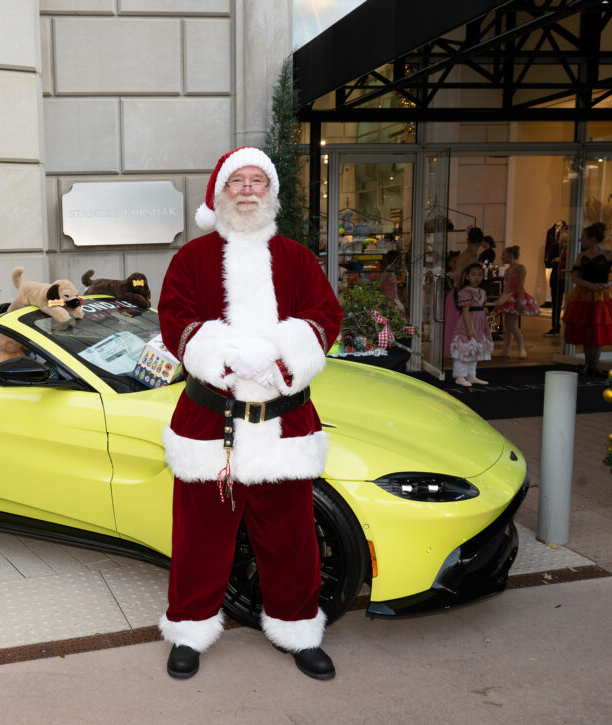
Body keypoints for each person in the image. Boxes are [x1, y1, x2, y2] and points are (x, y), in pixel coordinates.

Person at [157, 147, 343, 681]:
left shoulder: (297, 259)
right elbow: (175, 319)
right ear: (219, 193)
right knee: (200, 542)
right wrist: (220, 355)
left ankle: (298, 626)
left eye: (256, 181)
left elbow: (325, 317)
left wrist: (280, 353)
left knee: (291, 542)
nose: (246, 190)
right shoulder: (190, 259)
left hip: (284, 428)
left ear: (271, 192)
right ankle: (190, 630)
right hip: (210, 429)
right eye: (236, 181)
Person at [563, 221, 612, 377]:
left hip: (602, 295)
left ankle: (593, 364)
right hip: (584, 294)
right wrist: (588, 284)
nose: (580, 240)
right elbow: (574, 277)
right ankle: (589, 364)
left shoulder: (610, 254)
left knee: (598, 328)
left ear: (593, 239)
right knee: (586, 327)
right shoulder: (582, 255)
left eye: (583, 237)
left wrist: (610, 283)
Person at [492, 245, 539, 358]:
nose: (502, 256)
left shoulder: (520, 268)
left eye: (504, 254)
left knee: (512, 325)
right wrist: (503, 298)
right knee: (507, 325)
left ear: (511, 255)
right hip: (508, 297)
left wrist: (519, 300)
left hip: (516, 297)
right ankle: (506, 350)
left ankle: (521, 348)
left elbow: (521, 285)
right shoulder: (508, 269)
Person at [451, 263, 493, 386]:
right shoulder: (465, 292)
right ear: (467, 277)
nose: (477, 277)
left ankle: (471, 375)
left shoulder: (482, 292)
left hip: (480, 322)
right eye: (473, 275)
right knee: (465, 349)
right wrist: (469, 328)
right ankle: (460, 376)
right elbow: (465, 311)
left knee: (474, 349)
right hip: (469, 322)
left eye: (480, 274)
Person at [443, 228, 483, 358]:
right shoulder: (472, 257)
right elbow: (460, 276)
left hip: (454, 293)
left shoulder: (464, 254)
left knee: (455, 326)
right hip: (462, 294)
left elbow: (457, 273)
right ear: (481, 241)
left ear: (467, 240)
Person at [543, 221, 568, 336]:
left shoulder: (573, 249)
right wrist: (554, 261)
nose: (563, 244)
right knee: (556, 304)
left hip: (568, 279)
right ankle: (555, 326)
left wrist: (563, 261)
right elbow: (547, 264)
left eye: (565, 241)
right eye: (562, 241)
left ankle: (569, 327)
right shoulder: (555, 248)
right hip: (556, 278)